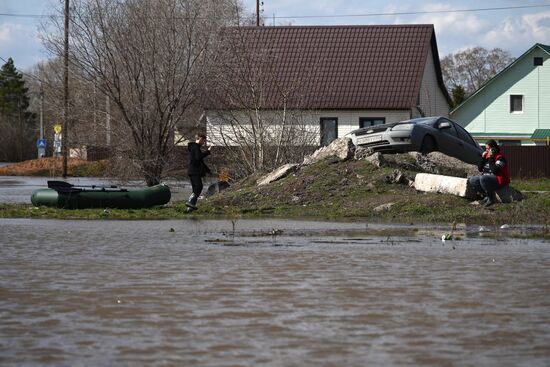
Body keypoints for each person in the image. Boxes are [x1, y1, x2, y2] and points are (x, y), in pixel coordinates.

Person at [468, 139, 510, 207]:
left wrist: (491, 158)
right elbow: (480, 169)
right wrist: (483, 158)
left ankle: (491, 198)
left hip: (499, 180)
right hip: (487, 179)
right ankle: (486, 196)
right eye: (486, 148)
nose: (486, 150)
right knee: (473, 179)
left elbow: (495, 171)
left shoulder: (500, 157)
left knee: (483, 178)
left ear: (493, 149)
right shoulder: (486, 156)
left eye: (488, 148)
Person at [186, 132, 211, 212]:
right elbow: (198, 157)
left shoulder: (194, 147)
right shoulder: (195, 147)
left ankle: (190, 208)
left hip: (192, 171)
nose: (204, 143)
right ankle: (190, 202)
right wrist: (207, 152)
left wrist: (208, 170)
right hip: (194, 171)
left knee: (195, 188)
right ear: (200, 138)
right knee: (199, 187)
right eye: (203, 140)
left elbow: (199, 161)